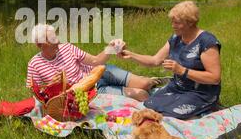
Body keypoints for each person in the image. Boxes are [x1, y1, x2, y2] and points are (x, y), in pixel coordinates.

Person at [119, 1, 222, 119]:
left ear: (190, 22)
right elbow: (155, 60)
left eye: (177, 22)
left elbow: (215, 78)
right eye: (172, 21)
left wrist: (182, 70)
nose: (173, 25)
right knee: (150, 105)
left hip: (200, 92)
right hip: (177, 87)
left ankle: (209, 106)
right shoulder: (175, 38)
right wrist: (131, 55)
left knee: (171, 114)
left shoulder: (207, 42)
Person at [26, 24, 157, 102]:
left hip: (101, 71)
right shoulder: (35, 64)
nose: (57, 41)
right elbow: (34, 93)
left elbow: (96, 61)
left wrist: (112, 47)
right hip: (93, 90)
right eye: (52, 39)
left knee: (145, 84)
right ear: (40, 44)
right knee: (142, 95)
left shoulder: (67, 48)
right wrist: (51, 85)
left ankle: (152, 81)